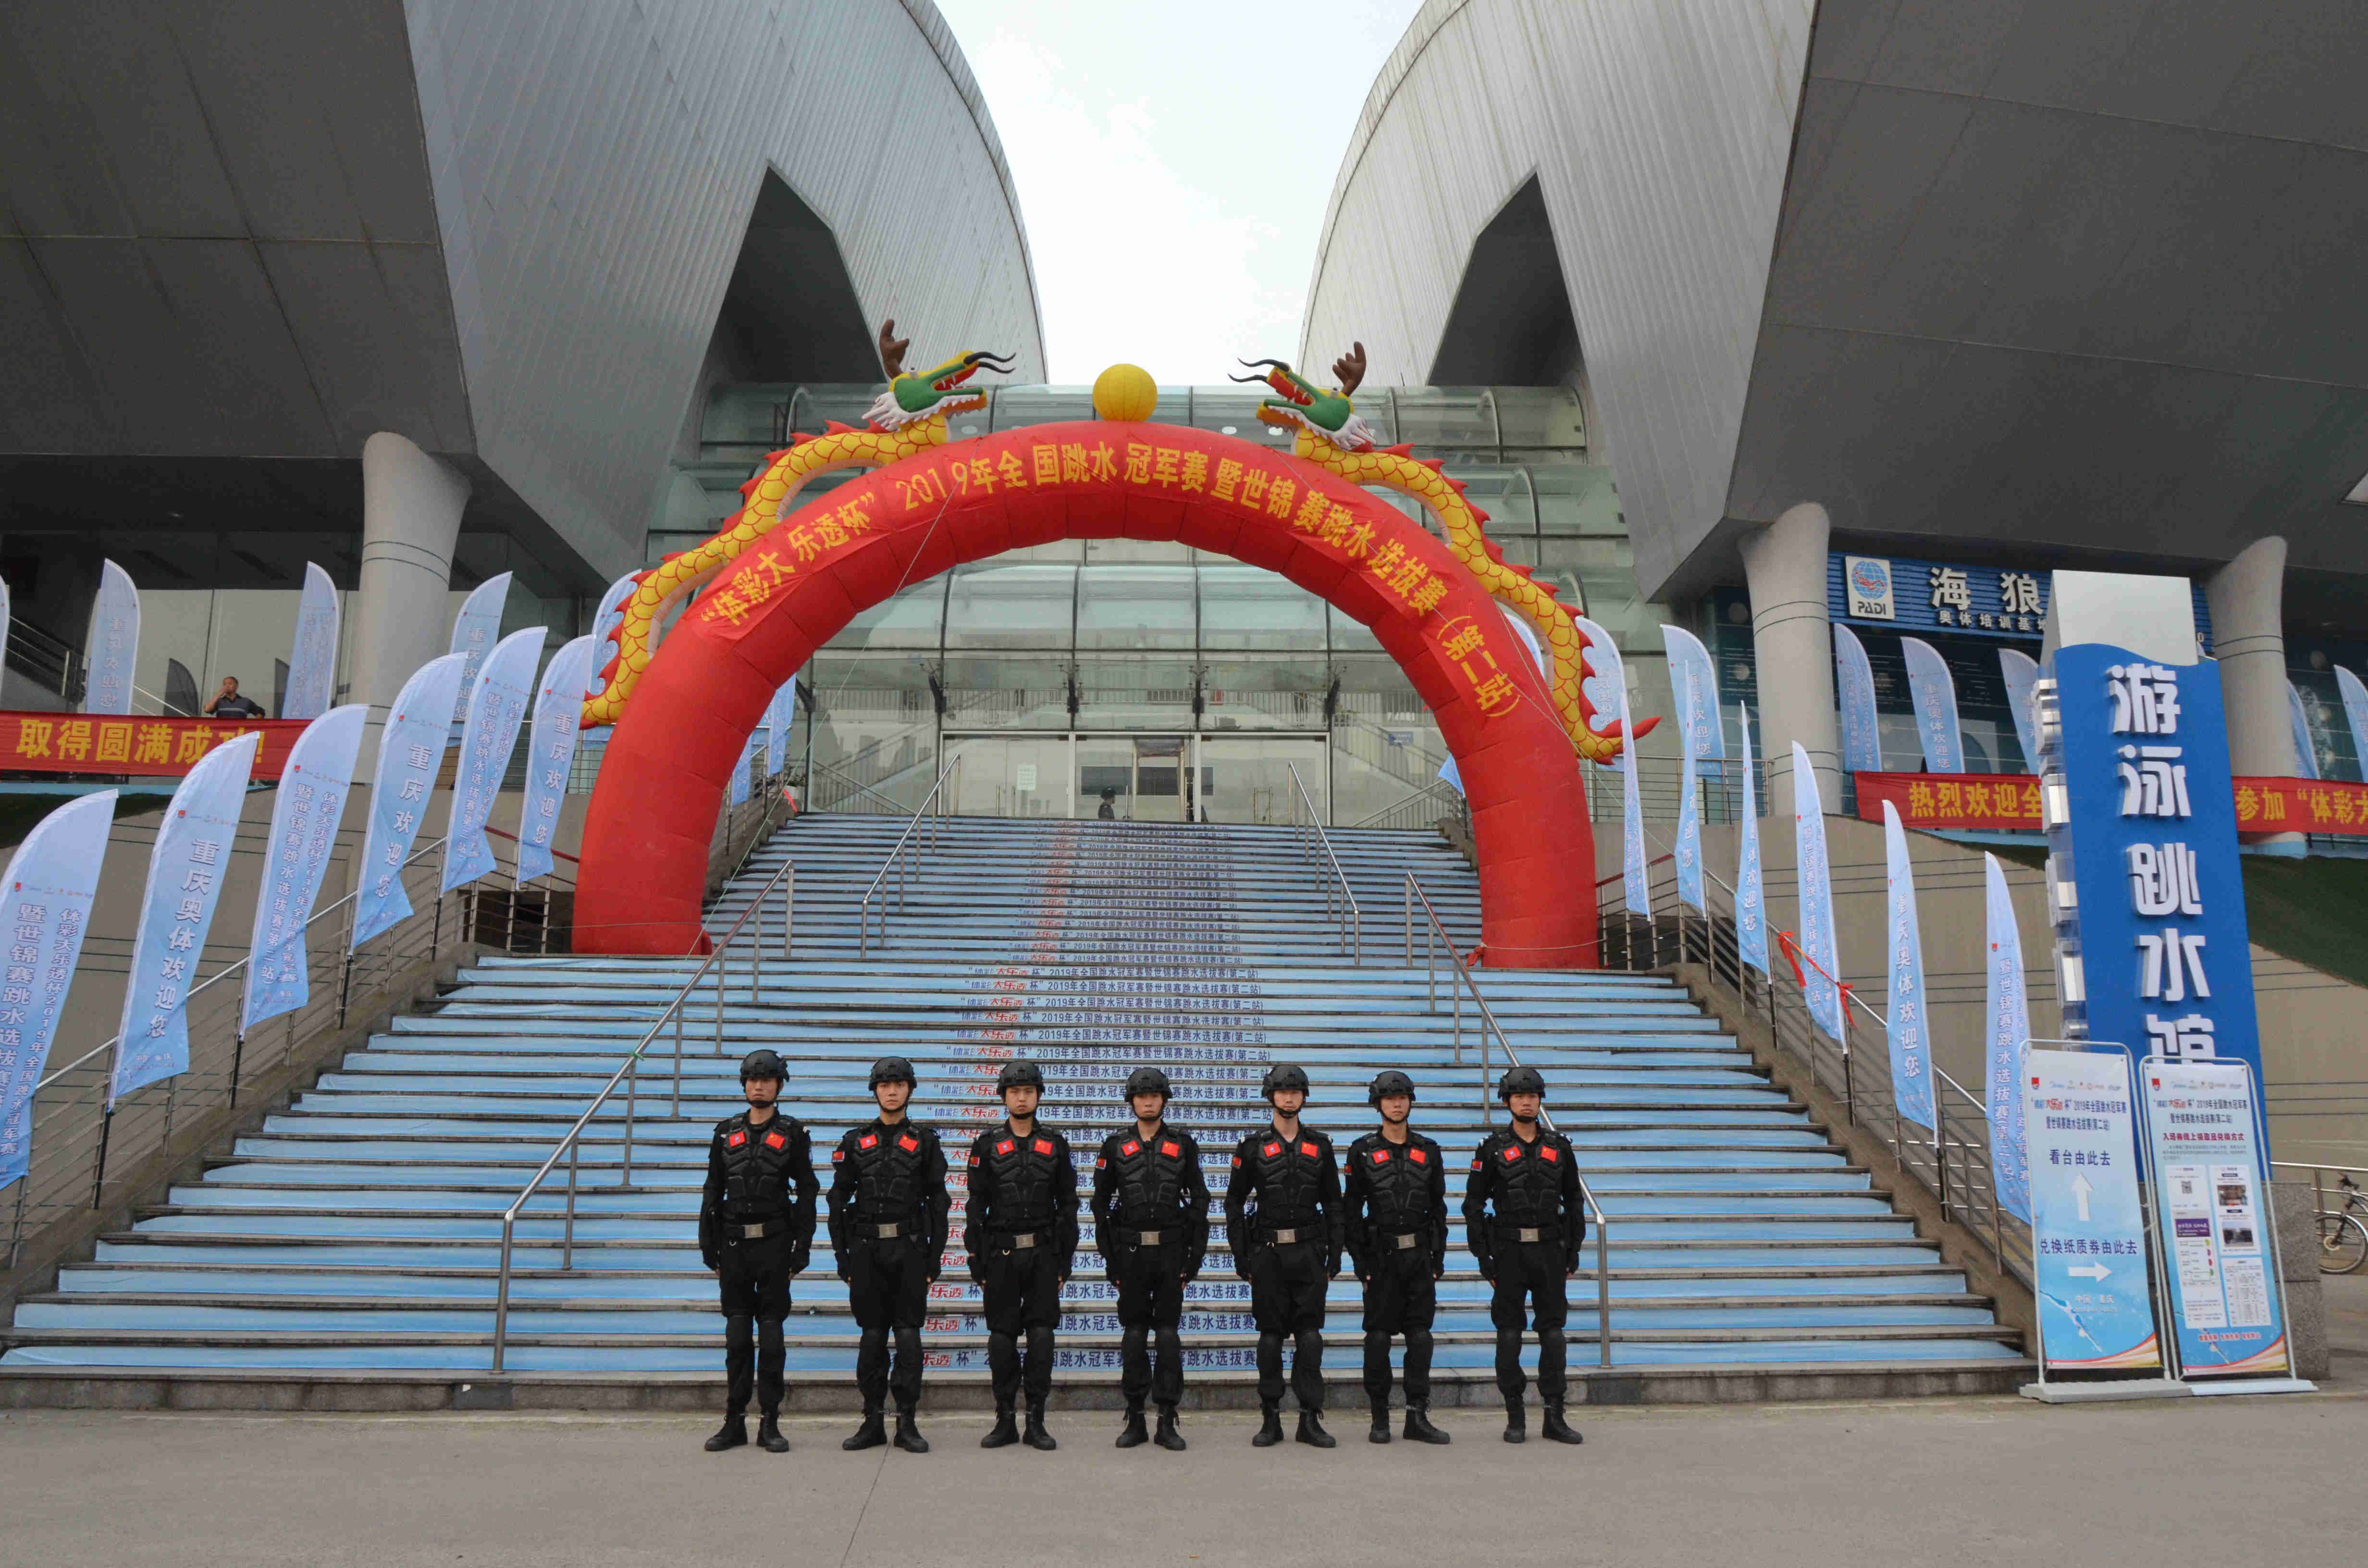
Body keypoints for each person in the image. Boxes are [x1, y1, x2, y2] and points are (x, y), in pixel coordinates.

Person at [697, 1049, 818, 1453]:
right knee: (736, 1336)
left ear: (779, 1085)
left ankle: (770, 1421)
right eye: (753, 1079)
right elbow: (713, 1189)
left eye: (767, 1080)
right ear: (744, 1084)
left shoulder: (794, 1133)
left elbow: (808, 1193)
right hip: (733, 1246)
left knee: (771, 1336)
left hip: (774, 1245)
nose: (759, 1086)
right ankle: (734, 1420)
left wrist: (802, 1249)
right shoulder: (724, 1132)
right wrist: (707, 1244)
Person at [828, 1056, 950, 1454]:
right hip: (866, 1252)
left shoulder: (926, 1142)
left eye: (899, 1085)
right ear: (875, 1091)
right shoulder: (854, 1141)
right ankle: (873, 1421)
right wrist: (843, 1258)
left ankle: (907, 1423)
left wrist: (934, 1258)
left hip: (909, 1251)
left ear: (910, 1090)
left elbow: (939, 1204)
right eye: (884, 1085)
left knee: (909, 1337)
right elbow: (837, 1202)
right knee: (872, 1338)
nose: (892, 1091)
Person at [1463, 1064, 1585, 1445]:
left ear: (1540, 1100)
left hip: (1550, 1250)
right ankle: (1515, 1416)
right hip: (1509, 1251)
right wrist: (1484, 1257)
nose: (1527, 1102)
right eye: (1519, 1096)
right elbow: (1473, 1205)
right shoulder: (1491, 1149)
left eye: (1532, 1096)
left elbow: (1575, 1201)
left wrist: (1573, 1250)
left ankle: (1554, 1417)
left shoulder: (1560, 1147)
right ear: (1506, 1101)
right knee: (1509, 1335)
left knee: (1554, 1336)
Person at [1223, 1063, 1343, 1448]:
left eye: (1295, 1091)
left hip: (1309, 1252)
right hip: (1269, 1254)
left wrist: (1336, 1253)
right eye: (1282, 1091)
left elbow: (1334, 1204)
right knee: (1271, 1338)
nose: (1289, 1097)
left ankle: (1309, 1419)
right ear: (1270, 1096)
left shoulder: (1321, 1146)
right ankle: (1270, 1418)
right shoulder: (1252, 1147)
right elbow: (1234, 1202)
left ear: (1304, 1096)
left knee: (1310, 1338)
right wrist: (1242, 1254)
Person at [1090, 1065, 1207, 1450]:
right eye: (1141, 1096)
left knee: (1168, 1336)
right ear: (1132, 1101)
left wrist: (1193, 1257)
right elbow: (1100, 1205)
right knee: (1135, 1335)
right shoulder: (1114, 1147)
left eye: (1154, 1095)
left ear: (1164, 1100)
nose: (1148, 1102)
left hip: (1171, 1253)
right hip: (1131, 1254)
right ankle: (1136, 1417)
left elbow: (1200, 1201)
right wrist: (1111, 1259)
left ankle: (1167, 1419)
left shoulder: (1184, 1145)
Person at [963, 1059, 1078, 1451]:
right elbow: (975, 1206)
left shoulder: (1056, 1144)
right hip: (1001, 1255)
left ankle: (1036, 1421)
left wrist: (1064, 1261)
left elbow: (1068, 1205)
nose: (1022, 1098)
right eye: (1015, 1091)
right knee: (1001, 1338)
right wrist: (976, 1258)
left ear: (1039, 1096)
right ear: (1004, 1097)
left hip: (1044, 1255)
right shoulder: (987, 1145)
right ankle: (1005, 1419)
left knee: (1042, 1335)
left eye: (1029, 1091)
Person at [1343, 1069, 1451, 1445]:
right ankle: (1380, 1417)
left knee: (1420, 1338)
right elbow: (1350, 1210)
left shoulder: (1429, 1150)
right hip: (1381, 1258)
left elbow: (1438, 1209)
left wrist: (1437, 1256)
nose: (1397, 1104)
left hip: (1418, 1257)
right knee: (1377, 1339)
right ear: (1378, 1104)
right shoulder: (1361, 1151)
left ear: (1410, 1102)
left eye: (1402, 1097)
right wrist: (1360, 1262)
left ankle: (1416, 1416)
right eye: (1389, 1098)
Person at [203, 676, 267, 719]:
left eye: (230, 684)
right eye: (225, 684)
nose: (227, 686)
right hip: (222, 733)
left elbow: (261, 713)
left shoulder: (245, 701)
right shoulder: (219, 701)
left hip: (240, 733)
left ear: (237, 686)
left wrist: (251, 725)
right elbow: (207, 709)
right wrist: (219, 694)